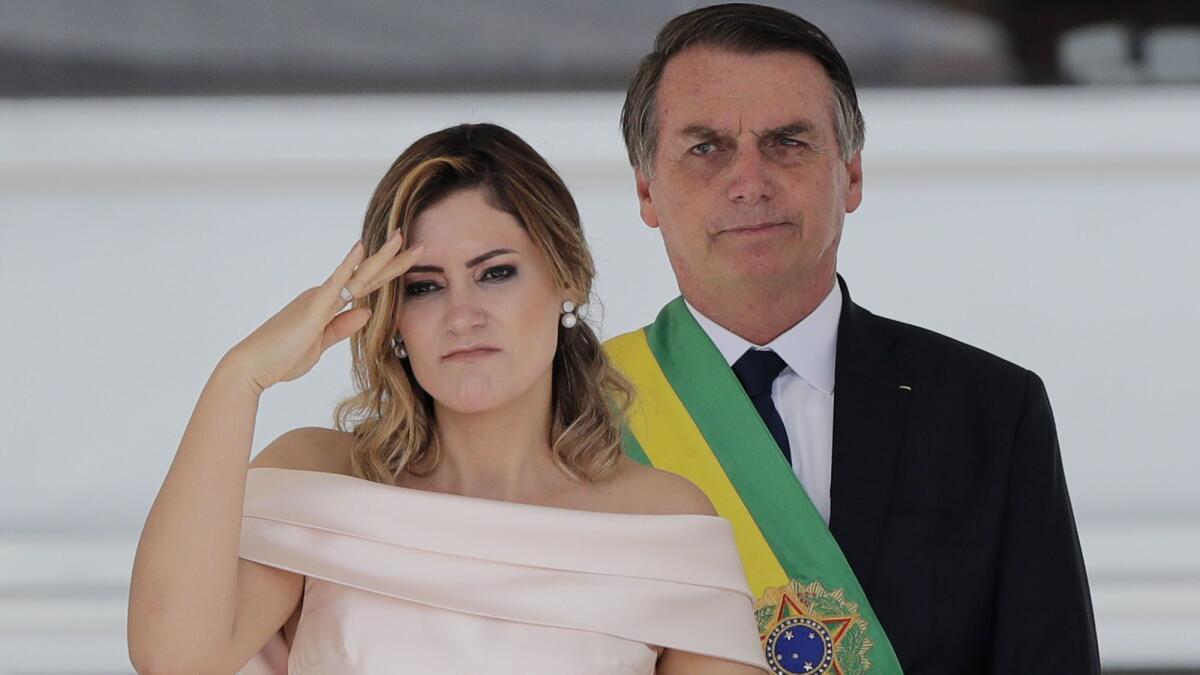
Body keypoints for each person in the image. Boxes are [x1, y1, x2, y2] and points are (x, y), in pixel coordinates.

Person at [127, 123, 769, 674]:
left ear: (567, 279)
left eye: (495, 273)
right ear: (393, 315)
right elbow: (175, 659)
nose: (463, 316)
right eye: (424, 287)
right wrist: (241, 376)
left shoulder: (661, 522)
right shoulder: (315, 481)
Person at [605, 4, 1101, 674]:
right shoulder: (579, 411)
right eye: (706, 148)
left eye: (788, 141)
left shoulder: (990, 410)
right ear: (646, 190)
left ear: (852, 174)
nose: (749, 182)